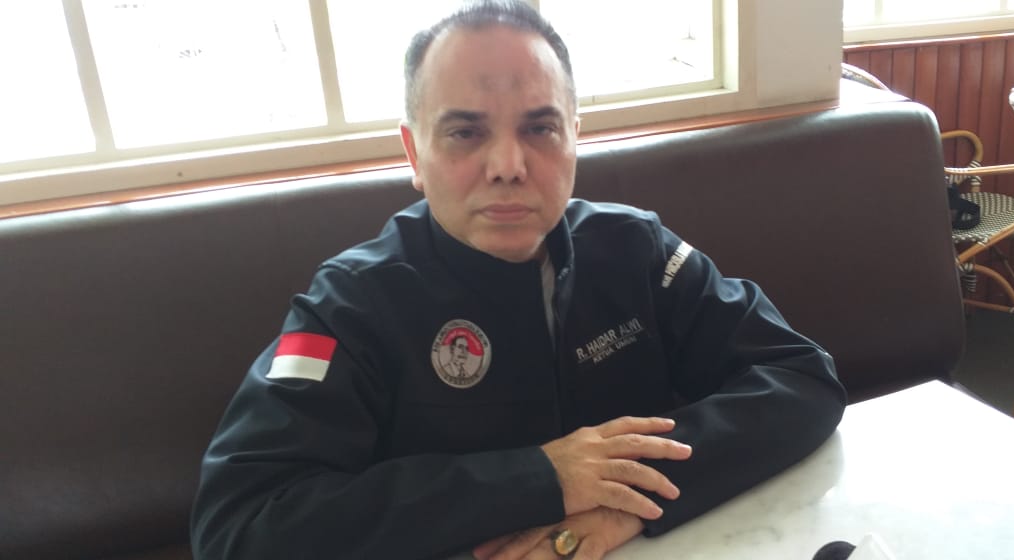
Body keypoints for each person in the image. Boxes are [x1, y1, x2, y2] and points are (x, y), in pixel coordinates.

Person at [189, 1, 846, 559]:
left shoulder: (635, 249)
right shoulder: (350, 305)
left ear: (574, 139)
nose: (508, 164)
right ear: (415, 153)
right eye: (464, 133)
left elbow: (800, 376)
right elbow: (238, 526)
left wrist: (630, 499)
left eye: (540, 128)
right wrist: (541, 478)